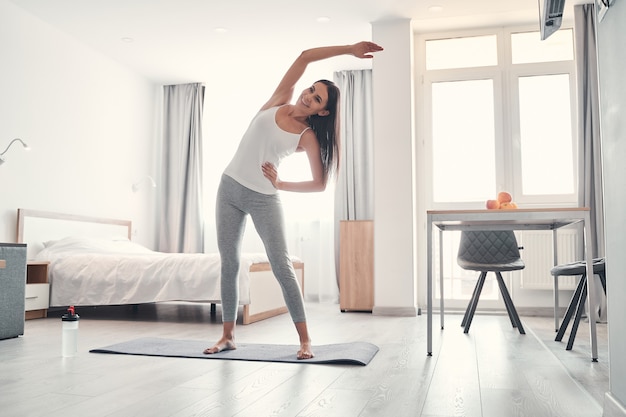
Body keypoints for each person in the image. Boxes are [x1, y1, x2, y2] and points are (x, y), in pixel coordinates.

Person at [204, 41, 384, 359]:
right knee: (229, 264)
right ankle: (228, 336)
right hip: (229, 189)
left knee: (282, 267)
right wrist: (349, 49)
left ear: (322, 111)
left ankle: (305, 341)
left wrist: (281, 182)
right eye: (311, 89)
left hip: (264, 199)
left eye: (317, 99)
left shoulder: (307, 136)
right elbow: (304, 57)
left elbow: (319, 184)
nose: (308, 96)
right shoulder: (279, 100)